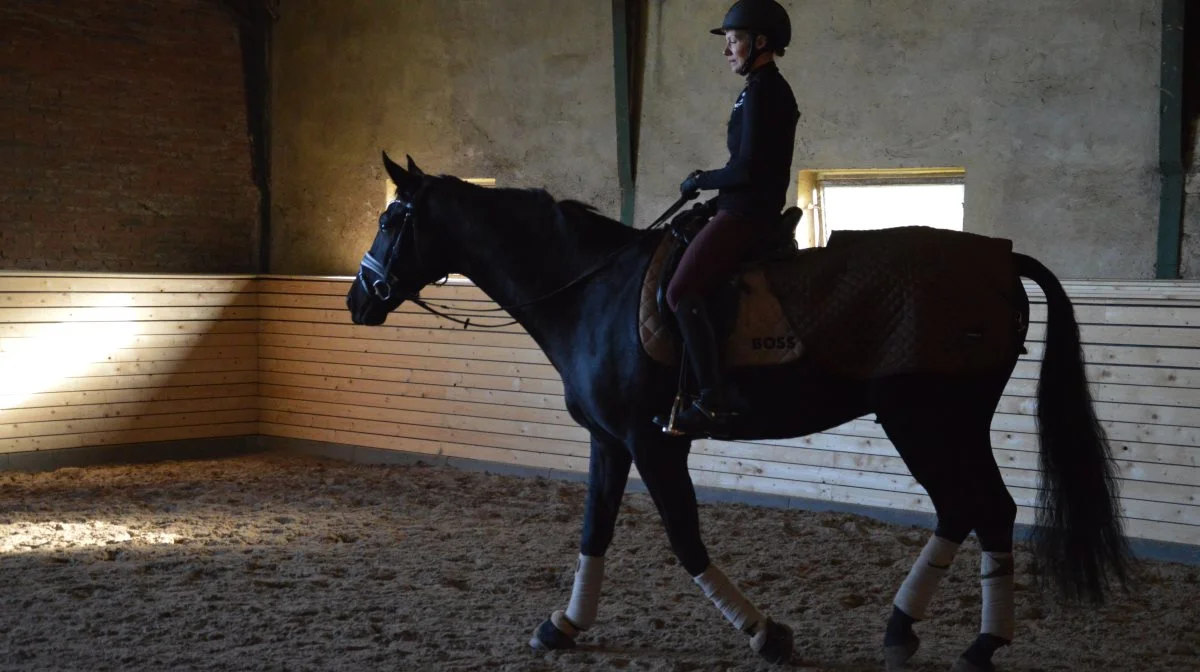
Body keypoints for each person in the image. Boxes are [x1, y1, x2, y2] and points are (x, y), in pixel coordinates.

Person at [665, 0, 800, 438]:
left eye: (734, 40)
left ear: (761, 43)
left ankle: (711, 400)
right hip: (736, 205)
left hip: (747, 213)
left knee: (682, 290)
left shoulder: (765, 91)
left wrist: (701, 180)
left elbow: (749, 169)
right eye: (727, 42)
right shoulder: (755, 89)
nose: (727, 51)